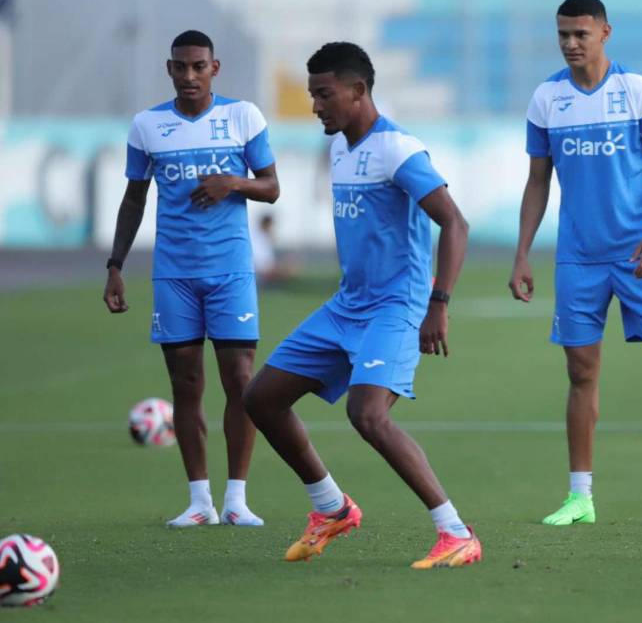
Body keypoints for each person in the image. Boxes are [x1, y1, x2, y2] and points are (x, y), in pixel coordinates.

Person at [242, 42, 481, 568]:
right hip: (347, 306)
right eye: (312, 95)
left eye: (324, 95)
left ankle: (457, 532)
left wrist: (438, 303)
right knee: (260, 399)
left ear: (358, 91)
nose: (316, 106)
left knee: (368, 415)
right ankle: (331, 508)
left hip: (396, 307)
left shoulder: (398, 149)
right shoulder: (339, 148)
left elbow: (455, 223)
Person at [509, 0, 642, 526]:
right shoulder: (547, 100)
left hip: (640, 255)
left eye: (580, 33)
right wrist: (522, 254)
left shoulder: (636, 92)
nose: (570, 43)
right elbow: (538, 182)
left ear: (605, 33)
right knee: (580, 372)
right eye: (562, 34)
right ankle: (580, 497)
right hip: (578, 261)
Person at [104, 30, 278, 527]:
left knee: (241, 383)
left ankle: (237, 499)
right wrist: (115, 265)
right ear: (169, 69)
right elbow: (134, 198)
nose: (189, 76)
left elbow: (271, 187)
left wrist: (233, 183)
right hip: (174, 274)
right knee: (186, 384)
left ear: (214, 68)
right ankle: (200, 501)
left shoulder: (242, 117)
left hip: (230, 271)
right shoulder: (147, 126)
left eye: (198, 66)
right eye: (180, 67)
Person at [249, 214, 299, 285]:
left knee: (290, 267)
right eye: (271, 226)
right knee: (286, 271)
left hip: (264, 269)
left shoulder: (265, 238)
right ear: (266, 224)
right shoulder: (256, 237)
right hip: (259, 271)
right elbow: (259, 261)